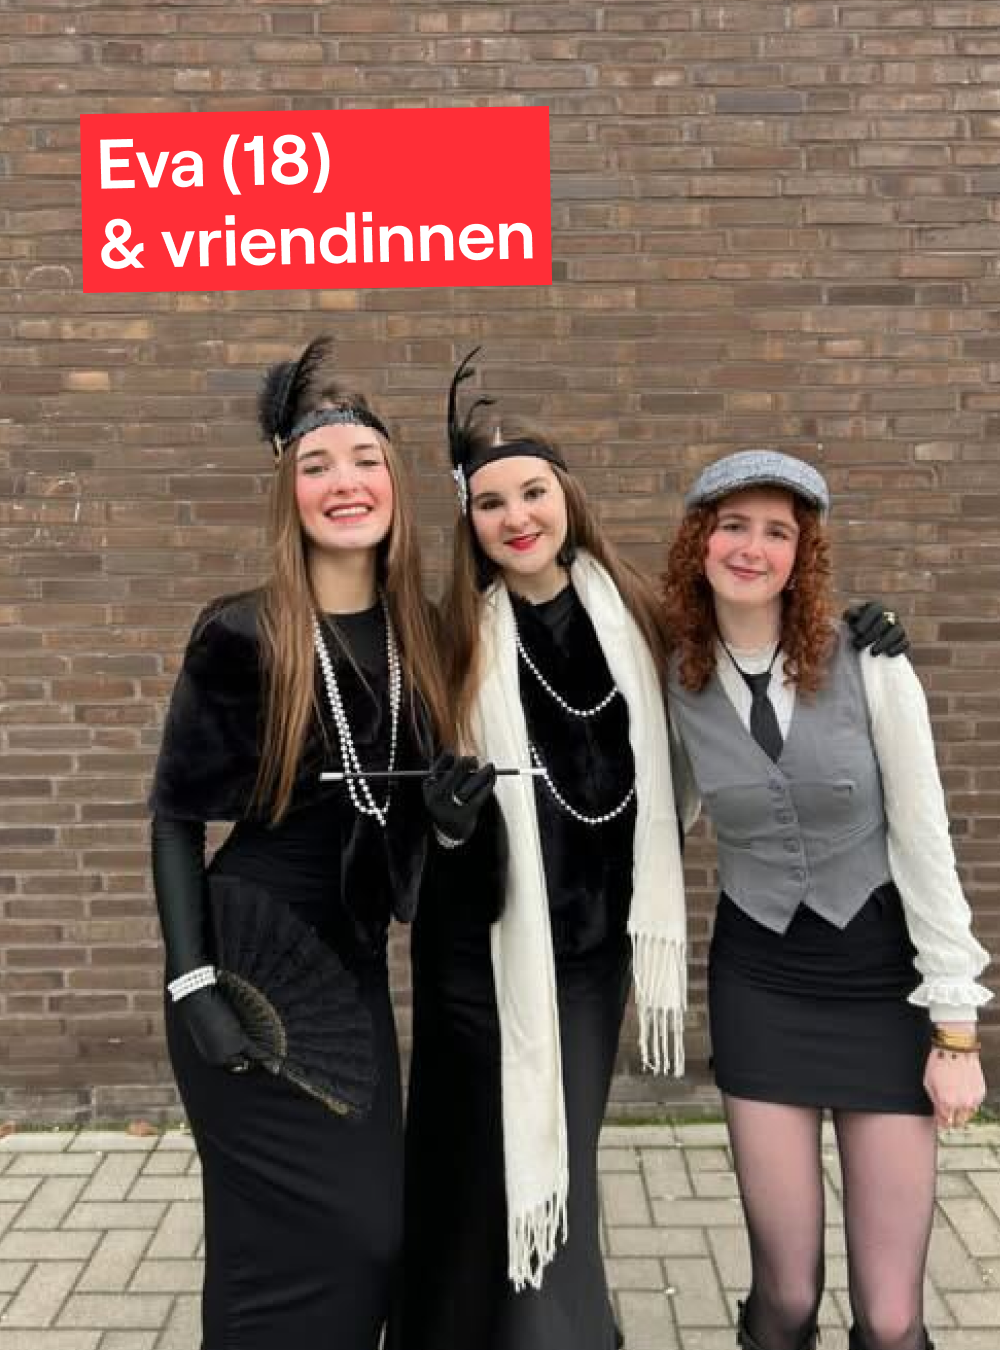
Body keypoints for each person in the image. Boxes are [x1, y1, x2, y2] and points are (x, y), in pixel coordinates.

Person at [147, 336, 493, 1350]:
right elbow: (175, 818)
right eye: (317, 466)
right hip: (244, 967)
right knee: (271, 1245)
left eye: (365, 461)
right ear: (288, 494)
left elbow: (408, 828)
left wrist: (451, 824)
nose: (345, 483)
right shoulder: (241, 634)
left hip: (350, 974)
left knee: (375, 1242)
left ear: (395, 485)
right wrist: (192, 986)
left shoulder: (427, 635)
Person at [662, 450, 992, 1350]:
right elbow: (662, 814)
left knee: (891, 1317)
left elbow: (925, 841)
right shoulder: (676, 676)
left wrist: (955, 1029)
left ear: (801, 554)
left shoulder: (869, 661)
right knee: (787, 1297)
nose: (752, 548)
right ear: (699, 541)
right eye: (733, 526)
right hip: (761, 982)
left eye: (778, 532)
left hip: (882, 982)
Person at [398, 349, 689, 1350]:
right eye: (491, 503)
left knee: (561, 1151)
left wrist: (858, 634)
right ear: (469, 521)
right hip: (489, 958)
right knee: (492, 1167)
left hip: (595, 959)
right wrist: (448, 822)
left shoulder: (637, 614)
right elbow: (425, 837)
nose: (516, 517)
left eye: (533, 493)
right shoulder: (452, 640)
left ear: (566, 497)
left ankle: (564, 1328)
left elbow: (749, 649)